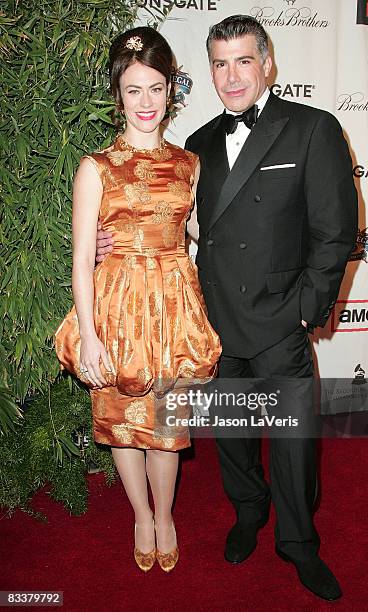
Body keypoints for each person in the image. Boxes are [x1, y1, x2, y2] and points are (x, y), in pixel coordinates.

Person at [95, 15, 358, 600]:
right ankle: (247, 514)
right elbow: (172, 227)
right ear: (208, 71)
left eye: (243, 60)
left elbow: (336, 232)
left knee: (292, 444)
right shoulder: (197, 147)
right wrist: (102, 241)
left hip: (280, 321)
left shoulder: (313, 128)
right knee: (234, 438)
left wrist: (303, 311)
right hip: (214, 319)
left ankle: (298, 544)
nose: (232, 75)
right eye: (219, 63)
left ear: (267, 63)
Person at [54, 26, 221, 574]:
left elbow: (197, 231)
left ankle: (166, 516)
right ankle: (139, 516)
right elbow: (81, 257)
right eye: (133, 90)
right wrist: (91, 335)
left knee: (166, 427)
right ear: (117, 94)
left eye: (155, 87)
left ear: (171, 89)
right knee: (122, 420)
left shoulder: (188, 164)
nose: (146, 102)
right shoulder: (95, 167)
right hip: (117, 309)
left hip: (172, 310)